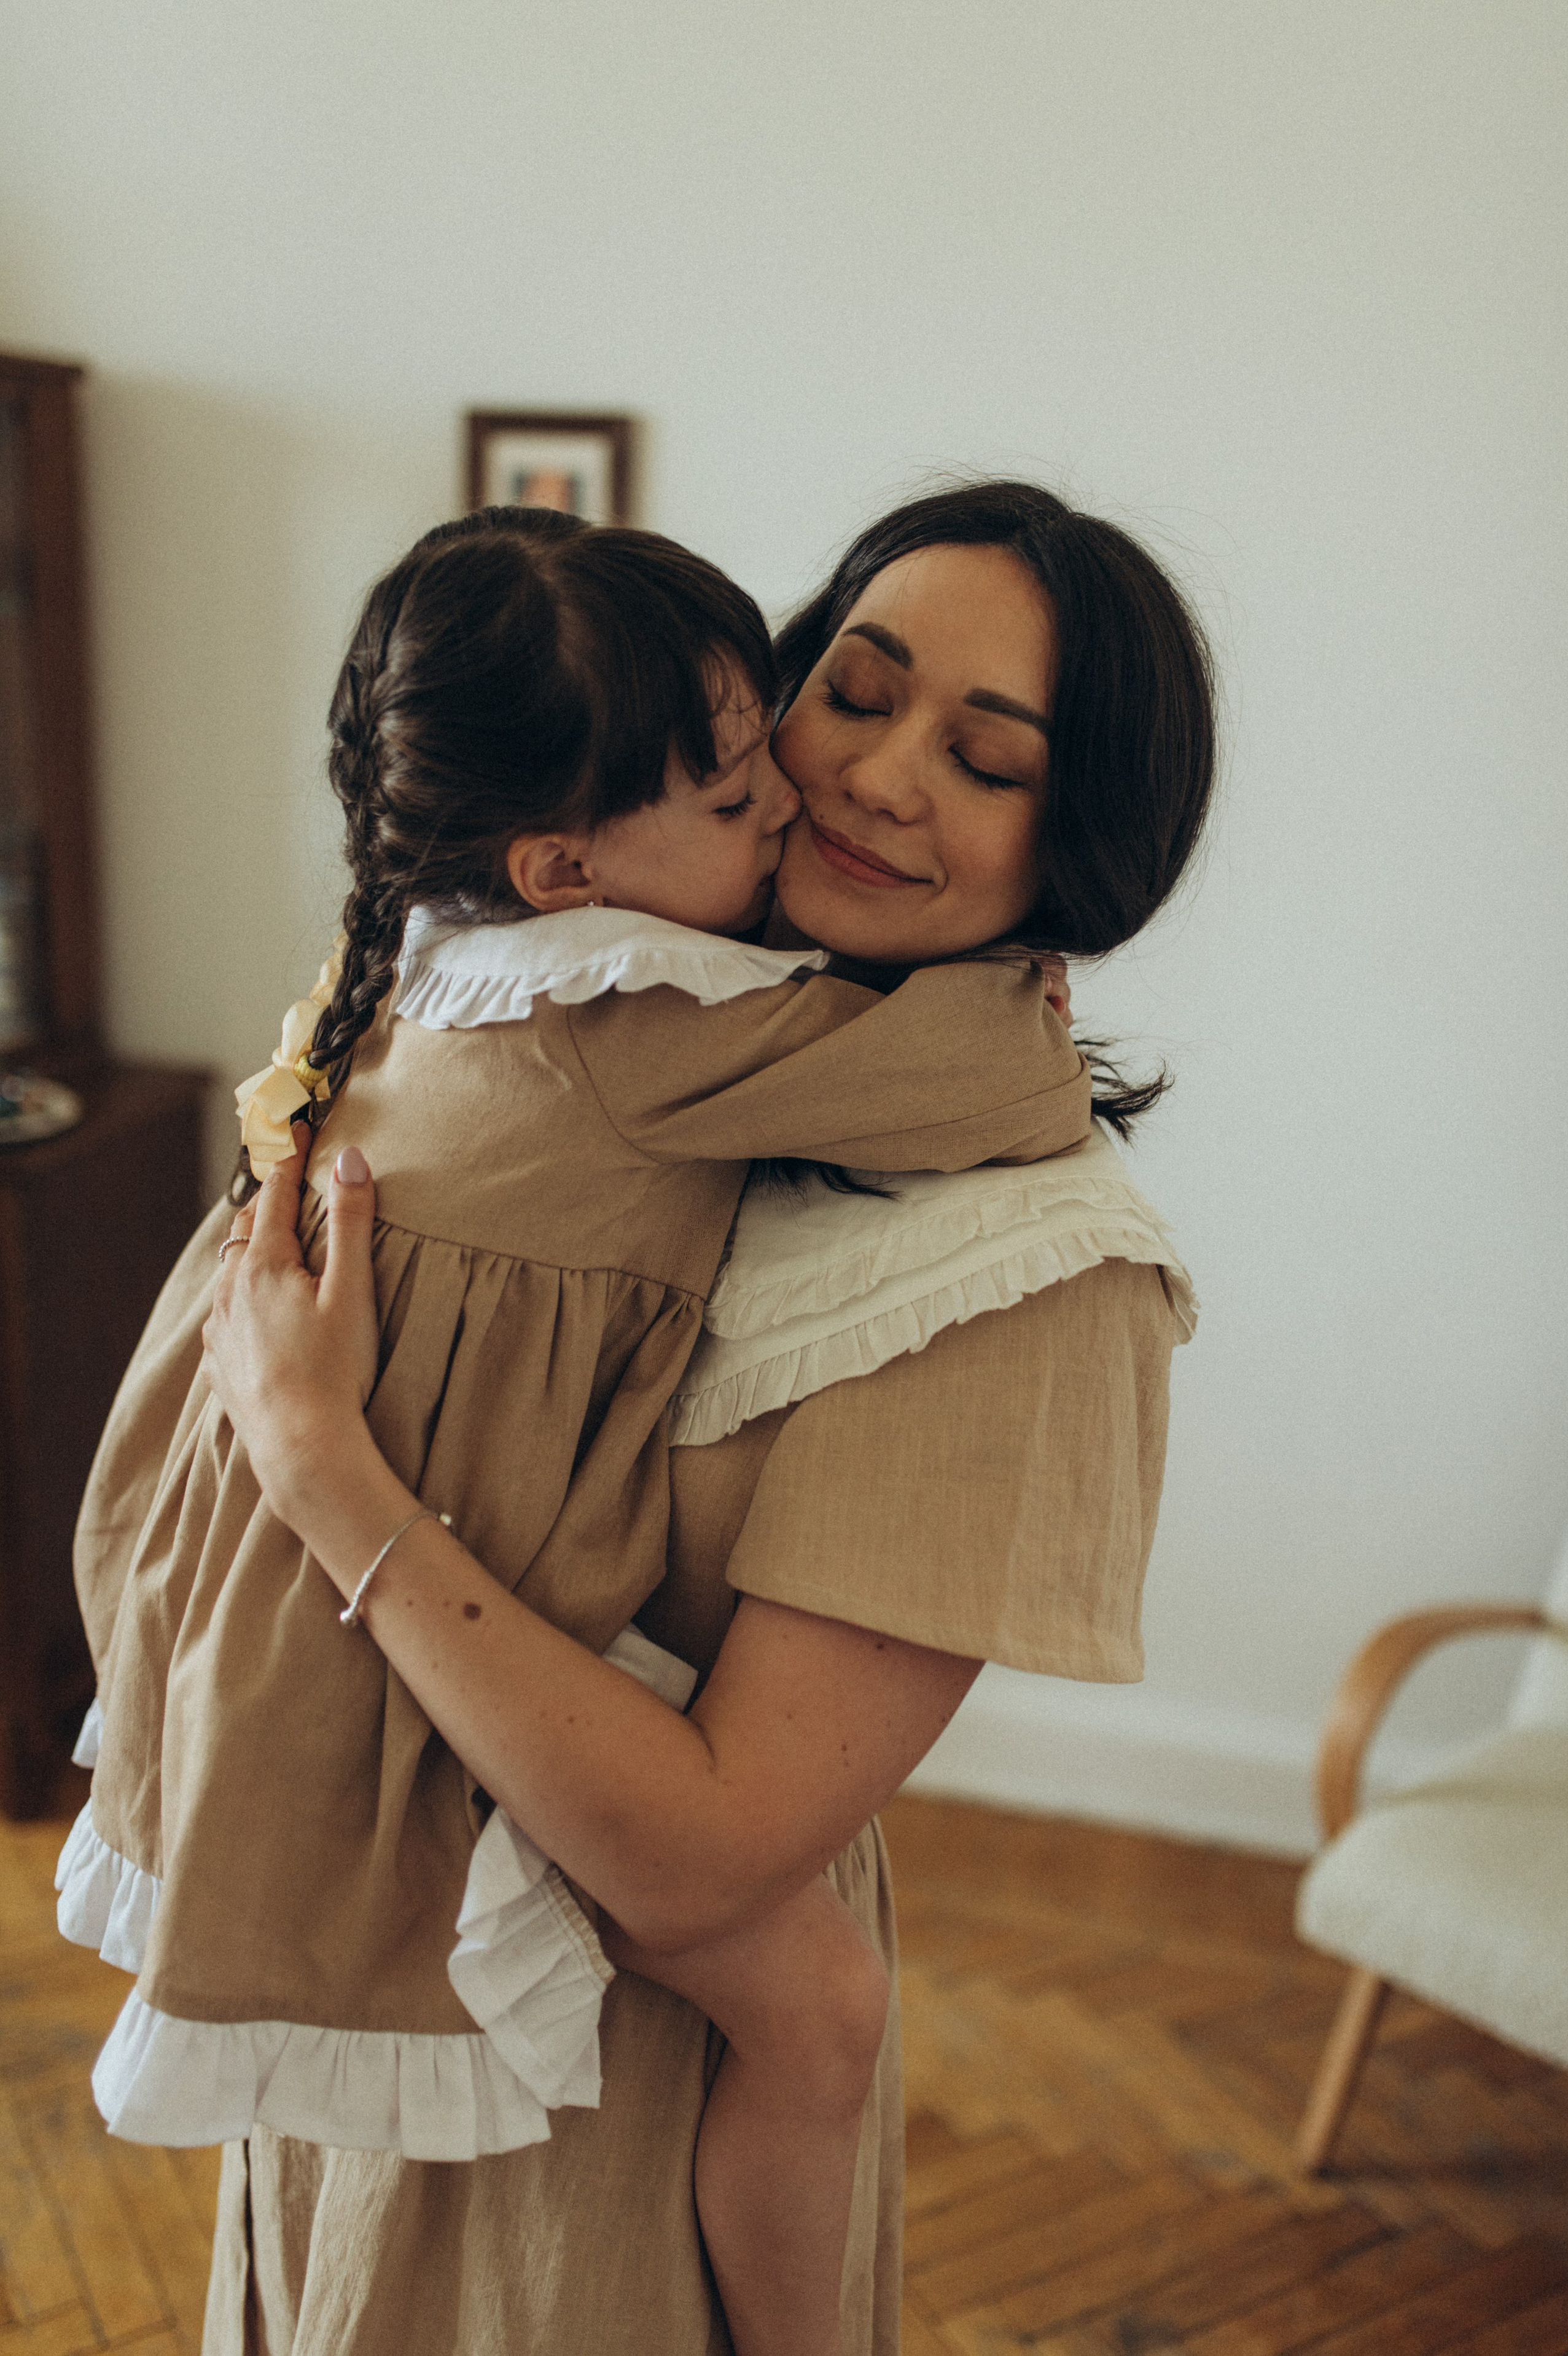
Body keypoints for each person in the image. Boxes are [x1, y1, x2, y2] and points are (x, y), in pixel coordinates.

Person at [182, 480, 1211, 2356]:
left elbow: (700, 1856)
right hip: (358, 2000)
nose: (877, 776)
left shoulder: (1028, 1269)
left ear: (1081, 841)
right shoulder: (615, 994)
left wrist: (317, 1464)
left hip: (601, 2139)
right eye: (857, 690)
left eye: (984, 759)